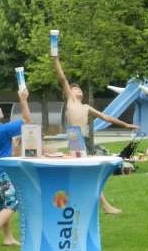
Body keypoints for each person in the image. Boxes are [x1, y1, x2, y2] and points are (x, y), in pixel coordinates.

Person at [52, 55, 138, 215]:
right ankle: (104, 206)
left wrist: (125, 125)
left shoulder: (86, 107)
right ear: (69, 92)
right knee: (88, 173)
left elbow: (106, 117)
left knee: (83, 173)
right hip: (75, 137)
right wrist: (56, 60)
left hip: (82, 139)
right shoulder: (71, 100)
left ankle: (68, 199)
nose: (78, 90)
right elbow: (62, 78)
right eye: (74, 88)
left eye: (79, 89)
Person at [0, 78, 31, 250]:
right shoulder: (3, 130)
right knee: (13, 202)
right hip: (1, 172)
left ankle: (8, 238)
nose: (0, 108)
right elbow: (27, 120)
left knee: (2, 205)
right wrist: (23, 99)